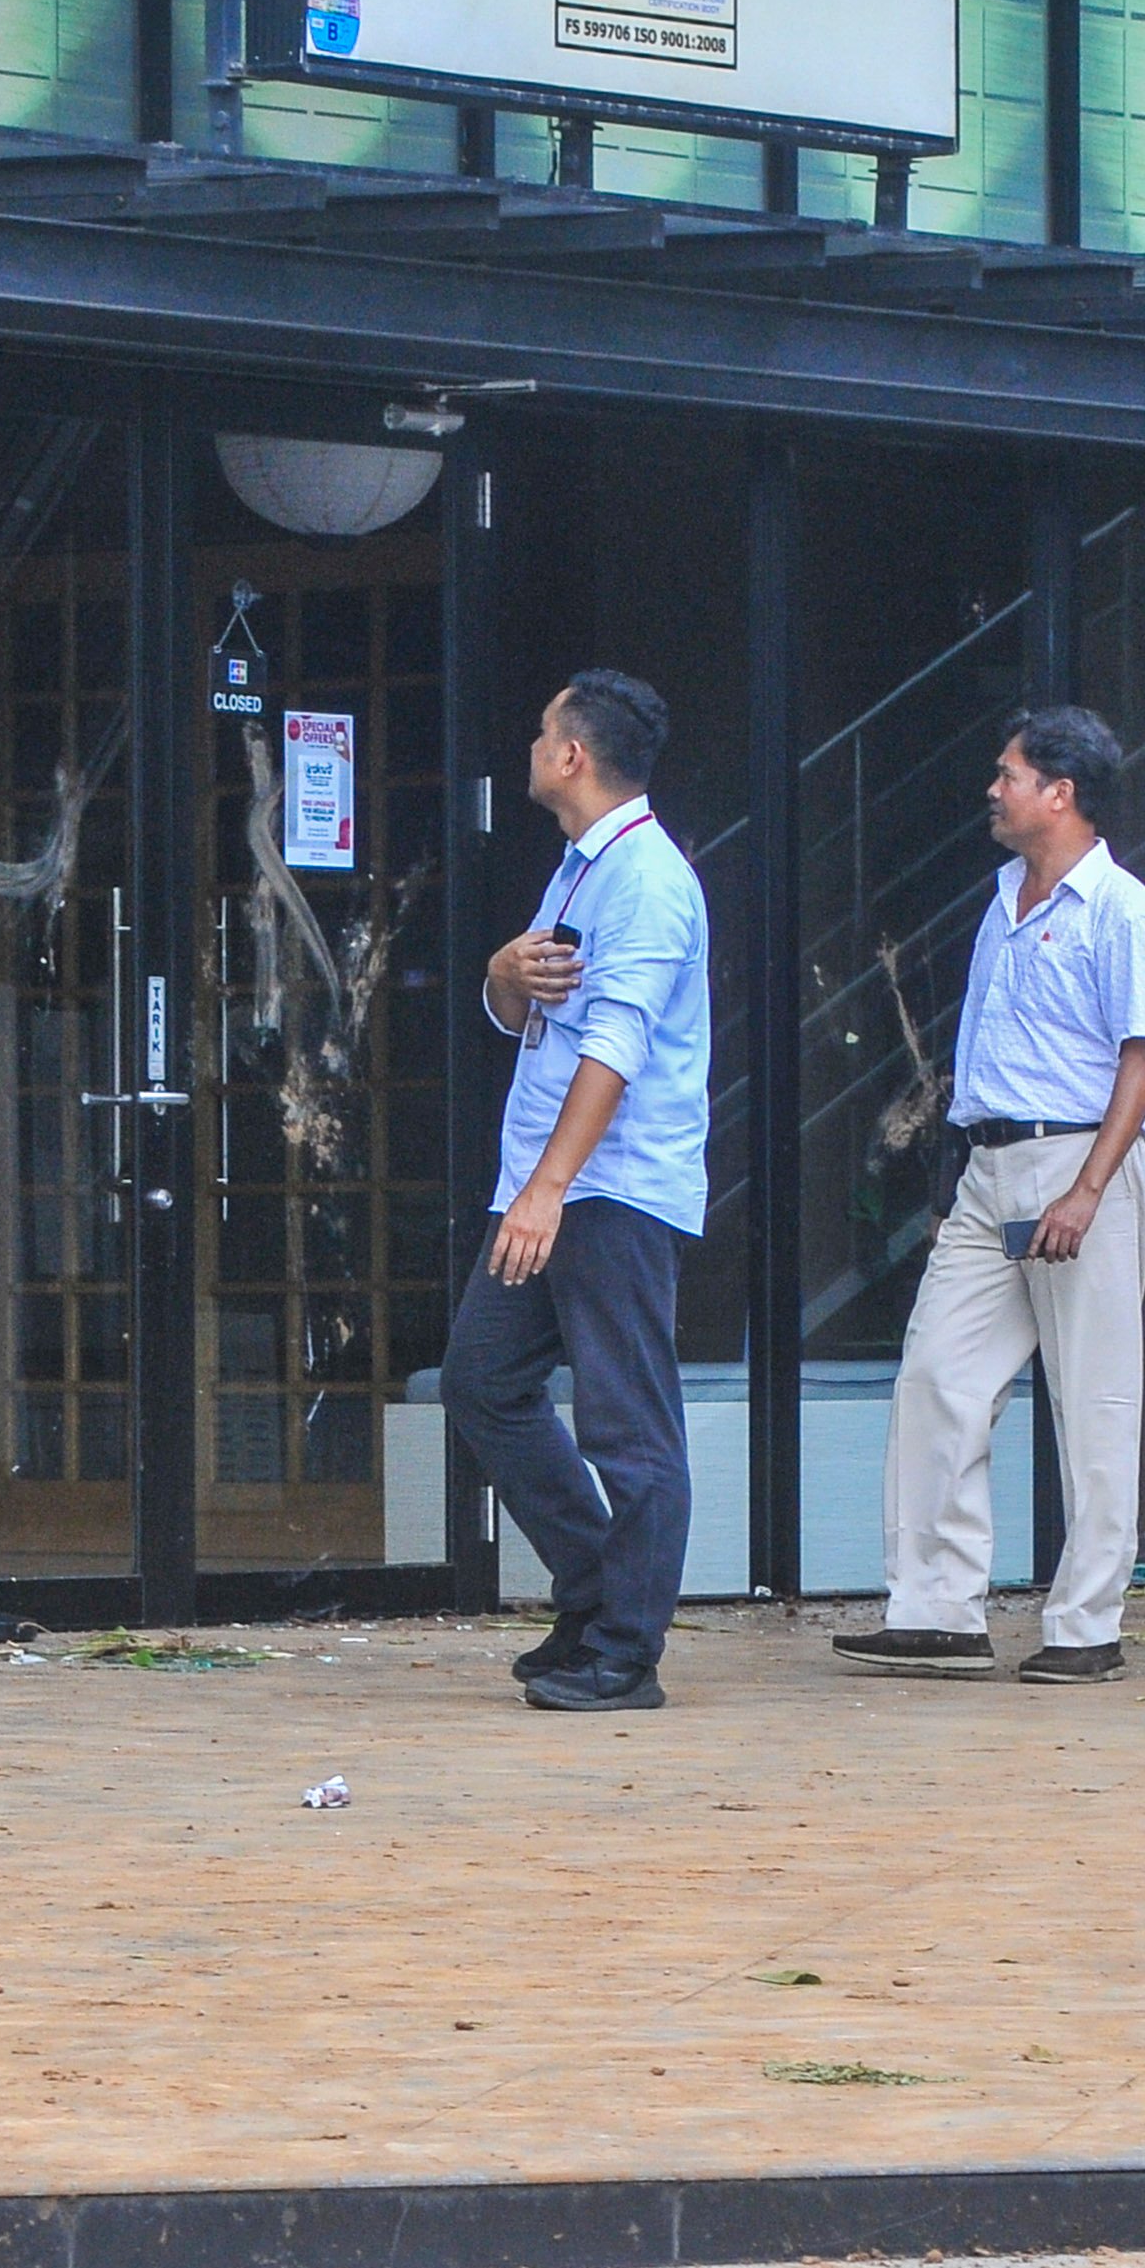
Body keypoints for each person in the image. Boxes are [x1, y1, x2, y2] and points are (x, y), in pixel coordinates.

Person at [837, 706, 1145, 1686]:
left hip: (1081, 1162)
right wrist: (961, 1175)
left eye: (1009, 772)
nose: (994, 787)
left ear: (1059, 792)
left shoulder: (1121, 909)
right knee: (937, 1375)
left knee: (1095, 1398)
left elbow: (1143, 1060)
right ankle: (938, 1610)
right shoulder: (1001, 899)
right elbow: (985, 1052)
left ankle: (1085, 1626)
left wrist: (1088, 1186)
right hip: (990, 1167)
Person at [442, 670, 713, 1714]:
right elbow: (533, 1015)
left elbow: (616, 1044)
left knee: (626, 1421)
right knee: (480, 1378)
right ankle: (598, 1588)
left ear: (572, 756)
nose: (530, 743)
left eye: (541, 729)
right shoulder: (579, 869)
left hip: (609, 1188)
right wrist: (501, 978)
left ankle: (624, 1651)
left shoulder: (644, 877)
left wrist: (548, 1188)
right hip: (552, 1184)